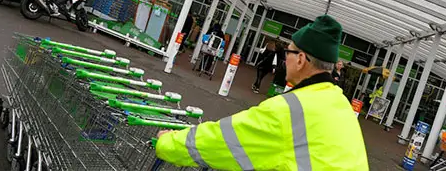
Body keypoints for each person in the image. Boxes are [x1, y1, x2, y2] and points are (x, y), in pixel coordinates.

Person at [155, 15, 369, 170]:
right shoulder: (340, 104)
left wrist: (167, 143)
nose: (285, 58)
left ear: (301, 59)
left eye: (288, 52)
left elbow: (224, 140)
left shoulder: (289, 110)